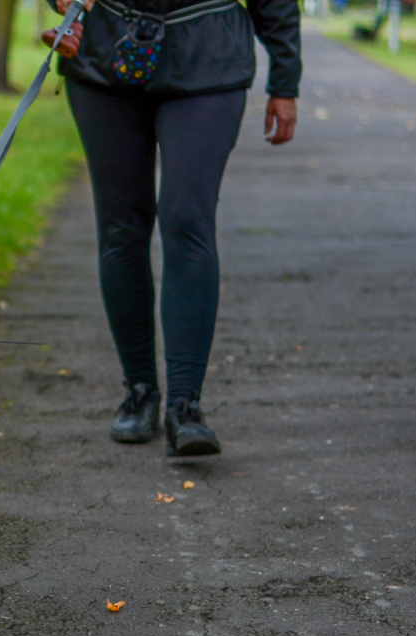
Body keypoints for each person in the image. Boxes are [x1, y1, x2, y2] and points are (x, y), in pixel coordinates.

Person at [43, 0, 300, 455]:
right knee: (121, 229)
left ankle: (185, 405)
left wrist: (285, 78)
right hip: (104, 58)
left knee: (187, 221)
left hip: (208, 63)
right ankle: (139, 392)